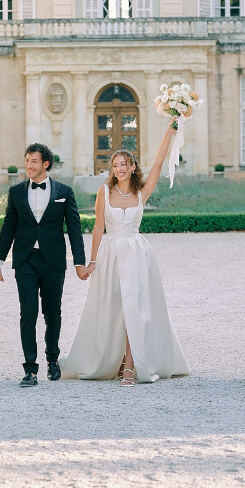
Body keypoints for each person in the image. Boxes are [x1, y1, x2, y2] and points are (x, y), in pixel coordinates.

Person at [61, 138, 191, 383]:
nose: (119, 168)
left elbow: (159, 162)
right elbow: (98, 227)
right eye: (115, 165)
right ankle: (118, 360)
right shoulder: (104, 191)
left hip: (137, 253)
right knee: (113, 308)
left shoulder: (142, 191)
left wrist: (171, 129)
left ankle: (130, 365)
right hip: (111, 253)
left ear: (133, 166)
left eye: (124, 164)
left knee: (135, 307)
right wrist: (92, 262)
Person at [0, 144, 86, 386]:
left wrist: (79, 262)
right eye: (27, 161)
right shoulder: (16, 192)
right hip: (25, 260)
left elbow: (74, 228)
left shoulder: (64, 191)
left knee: (52, 312)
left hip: (53, 260)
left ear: (46, 164)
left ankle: (52, 359)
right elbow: (8, 228)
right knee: (28, 312)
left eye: (34, 161)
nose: (28, 166)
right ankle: (30, 369)